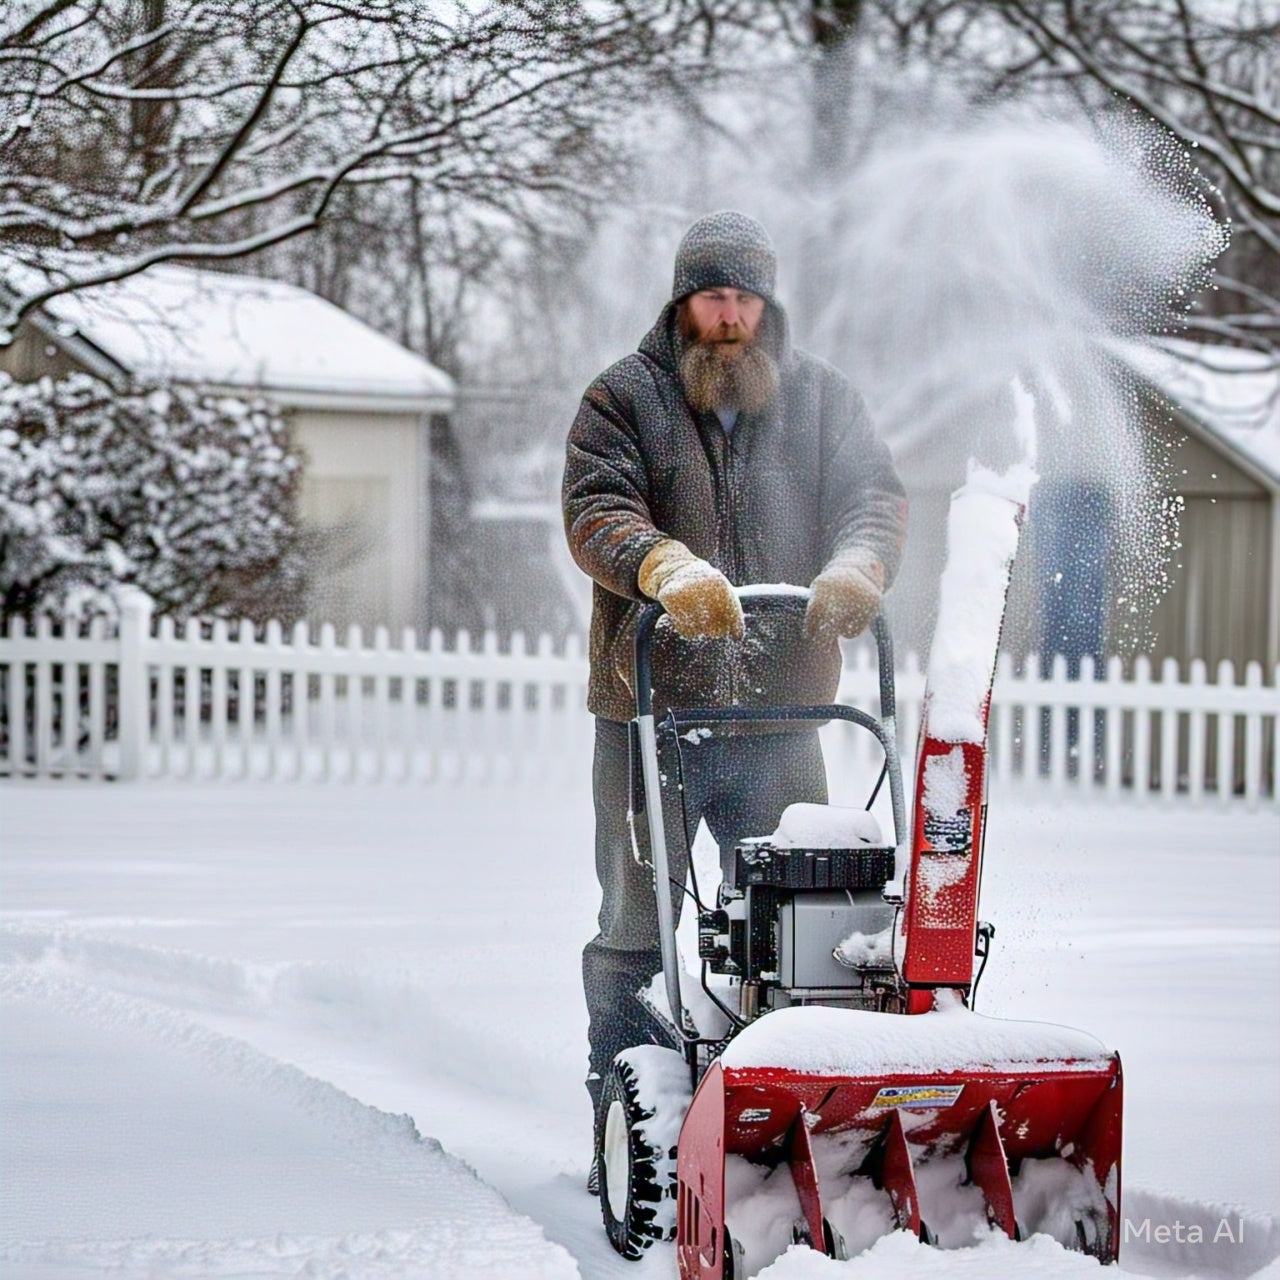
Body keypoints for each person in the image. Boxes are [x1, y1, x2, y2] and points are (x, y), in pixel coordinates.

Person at [561, 210, 907, 1163]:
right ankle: (627, 1125)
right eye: (714, 296)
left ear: (767, 303)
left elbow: (872, 498)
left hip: (782, 714)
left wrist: (857, 568)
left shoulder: (823, 401)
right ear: (683, 302)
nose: (730, 315)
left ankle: (792, 1114)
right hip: (651, 717)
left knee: (809, 914)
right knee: (638, 923)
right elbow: (596, 507)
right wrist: (664, 567)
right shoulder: (622, 399)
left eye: (745, 297)